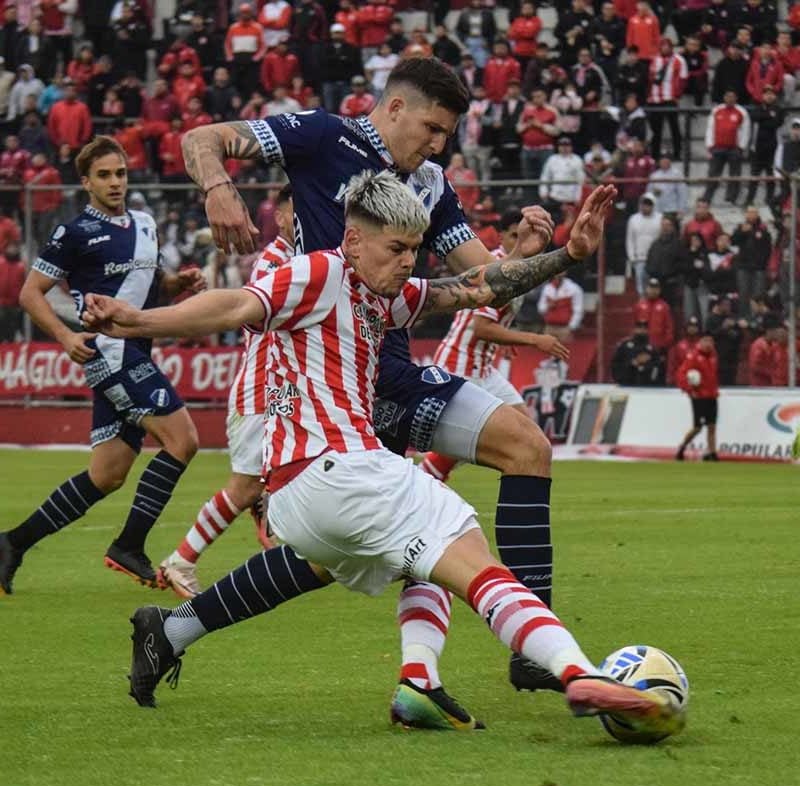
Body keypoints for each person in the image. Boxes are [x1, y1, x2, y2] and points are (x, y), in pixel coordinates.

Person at [84, 175, 678, 743]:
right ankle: (579, 674)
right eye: (396, 249)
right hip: (339, 470)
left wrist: (568, 256)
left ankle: (176, 631)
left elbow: (479, 287)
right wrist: (138, 321)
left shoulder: (387, 296)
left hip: (300, 497)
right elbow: (234, 306)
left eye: (414, 249)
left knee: (412, 555)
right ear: (353, 240)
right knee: (467, 550)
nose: (407, 262)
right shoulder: (320, 272)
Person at [173, 57, 585, 705]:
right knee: (351, 549)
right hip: (325, 380)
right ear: (394, 108)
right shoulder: (321, 135)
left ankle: (518, 657)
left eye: (447, 134)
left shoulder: (430, 183)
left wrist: (539, 254)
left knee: (514, 455)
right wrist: (219, 188)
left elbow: (482, 280)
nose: (438, 145)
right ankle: (175, 628)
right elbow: (202, 138)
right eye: (432, 128)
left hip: (389, 370)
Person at [0, 137, 206, 596]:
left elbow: (149, 288)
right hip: (111, 353)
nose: (115, 182)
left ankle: (11, 543)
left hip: (135, 350)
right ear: (86, 182)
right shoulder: (74, 233)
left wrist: (178, 283)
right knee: (183, 440)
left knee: (108, 474)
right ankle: (128, 545)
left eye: (121, 173)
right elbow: (30, 293)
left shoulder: (146, 224)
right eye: (105, 175)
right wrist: (66, 336)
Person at [159, 186, 294, 598]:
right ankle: (181, 559)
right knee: (244, 486)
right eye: (298, 211)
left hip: (283, 390)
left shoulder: (301, 258)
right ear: (281, 217)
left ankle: (278, 524)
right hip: (260, 389)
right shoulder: (275, 262)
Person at [422, 209, 570, 483]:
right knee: (469, 440)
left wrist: (504, 339)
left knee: (528, 433)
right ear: (500, 236)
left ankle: (432, 477)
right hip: (460, 364)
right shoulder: (497, 266)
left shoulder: (520, 269)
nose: (521, 240)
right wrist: (535, 339)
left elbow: (491, 322)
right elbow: (481, 327)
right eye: (514, 235)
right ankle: (424, 482)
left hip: (484, 367)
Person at [675, 333, 719, 461]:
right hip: (699, 397)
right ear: (700, 342)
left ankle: (712, 453)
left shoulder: (713, 356)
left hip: (712, 396)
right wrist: (689, 390)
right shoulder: (693, 357)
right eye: (706, 341)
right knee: (697, 428)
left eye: (710, 341)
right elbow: (681, 374)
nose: (708, 344)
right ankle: (682, 447)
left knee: (712, 426)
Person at [702, 90, 750, 205]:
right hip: (717, 148)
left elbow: (746, 130)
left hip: (734, 149)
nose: (730, 99)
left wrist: (741, 147)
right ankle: (707, 199)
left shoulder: (742, 111)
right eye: (727, 96)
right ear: (724, 97)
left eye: (732, 96)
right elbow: (710, 128)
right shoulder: (716, 110)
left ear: (736, 98)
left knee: (735, 175)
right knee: (713, 174)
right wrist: (709, 145)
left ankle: (731, 198)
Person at [625, 192, 662, 295]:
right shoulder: (633, 219)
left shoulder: (660, 218)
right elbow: (630, 240)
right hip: (639, 259)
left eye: (649, 204)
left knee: (654, 285)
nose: (646, 207)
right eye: (644, 204)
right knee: (641, 286)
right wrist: (632, 257)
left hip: (655, 259)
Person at [611, 318, 664, 385]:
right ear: (634, 329)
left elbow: (657, 367)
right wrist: (631, 363)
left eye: (644, 328)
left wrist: (645, 366)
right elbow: (616, 364)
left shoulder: (652, 348)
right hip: (626, 383)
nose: (642, 330)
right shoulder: (625, 346)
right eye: (639, 328)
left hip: (646, 384)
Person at [537, 272, 585, 340]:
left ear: (565, 273)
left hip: (564, 328)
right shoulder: (548, 288)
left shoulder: (574, 288)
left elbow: (578, 310)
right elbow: (540, 308)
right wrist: (548, 306)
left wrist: (571, 327)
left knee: (565, 347)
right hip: (549, 327)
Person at [633, 276, 674, 353]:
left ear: (659, 290)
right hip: (642, 346)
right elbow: (634, 324)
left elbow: (669, 327)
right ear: (647, 289)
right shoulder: (639, 305)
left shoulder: (664, 307)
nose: (653, 291)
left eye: (656, 288)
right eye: (651, 288)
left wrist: (665, 344)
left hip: (659, 347)